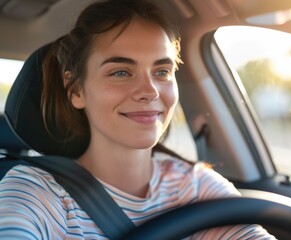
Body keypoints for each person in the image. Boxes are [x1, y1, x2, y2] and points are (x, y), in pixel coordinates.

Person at [0, 0, 275, 239]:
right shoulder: (34, 191)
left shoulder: (196, 185)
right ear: (76, 90)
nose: (150, 91)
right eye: (120, 72)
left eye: (162, 71)